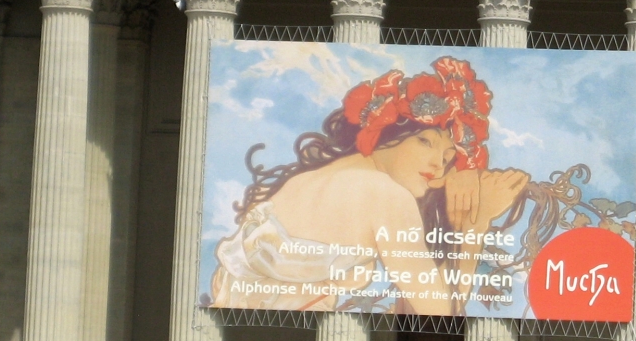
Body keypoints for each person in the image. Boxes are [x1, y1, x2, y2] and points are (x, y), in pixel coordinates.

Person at [209, 57, 529, 317]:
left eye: (447, 157)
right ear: (384, 133)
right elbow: (439, 314)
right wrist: (476, 222)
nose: (437, 165)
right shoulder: (384, 194)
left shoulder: (304, 182)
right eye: (425, 142)